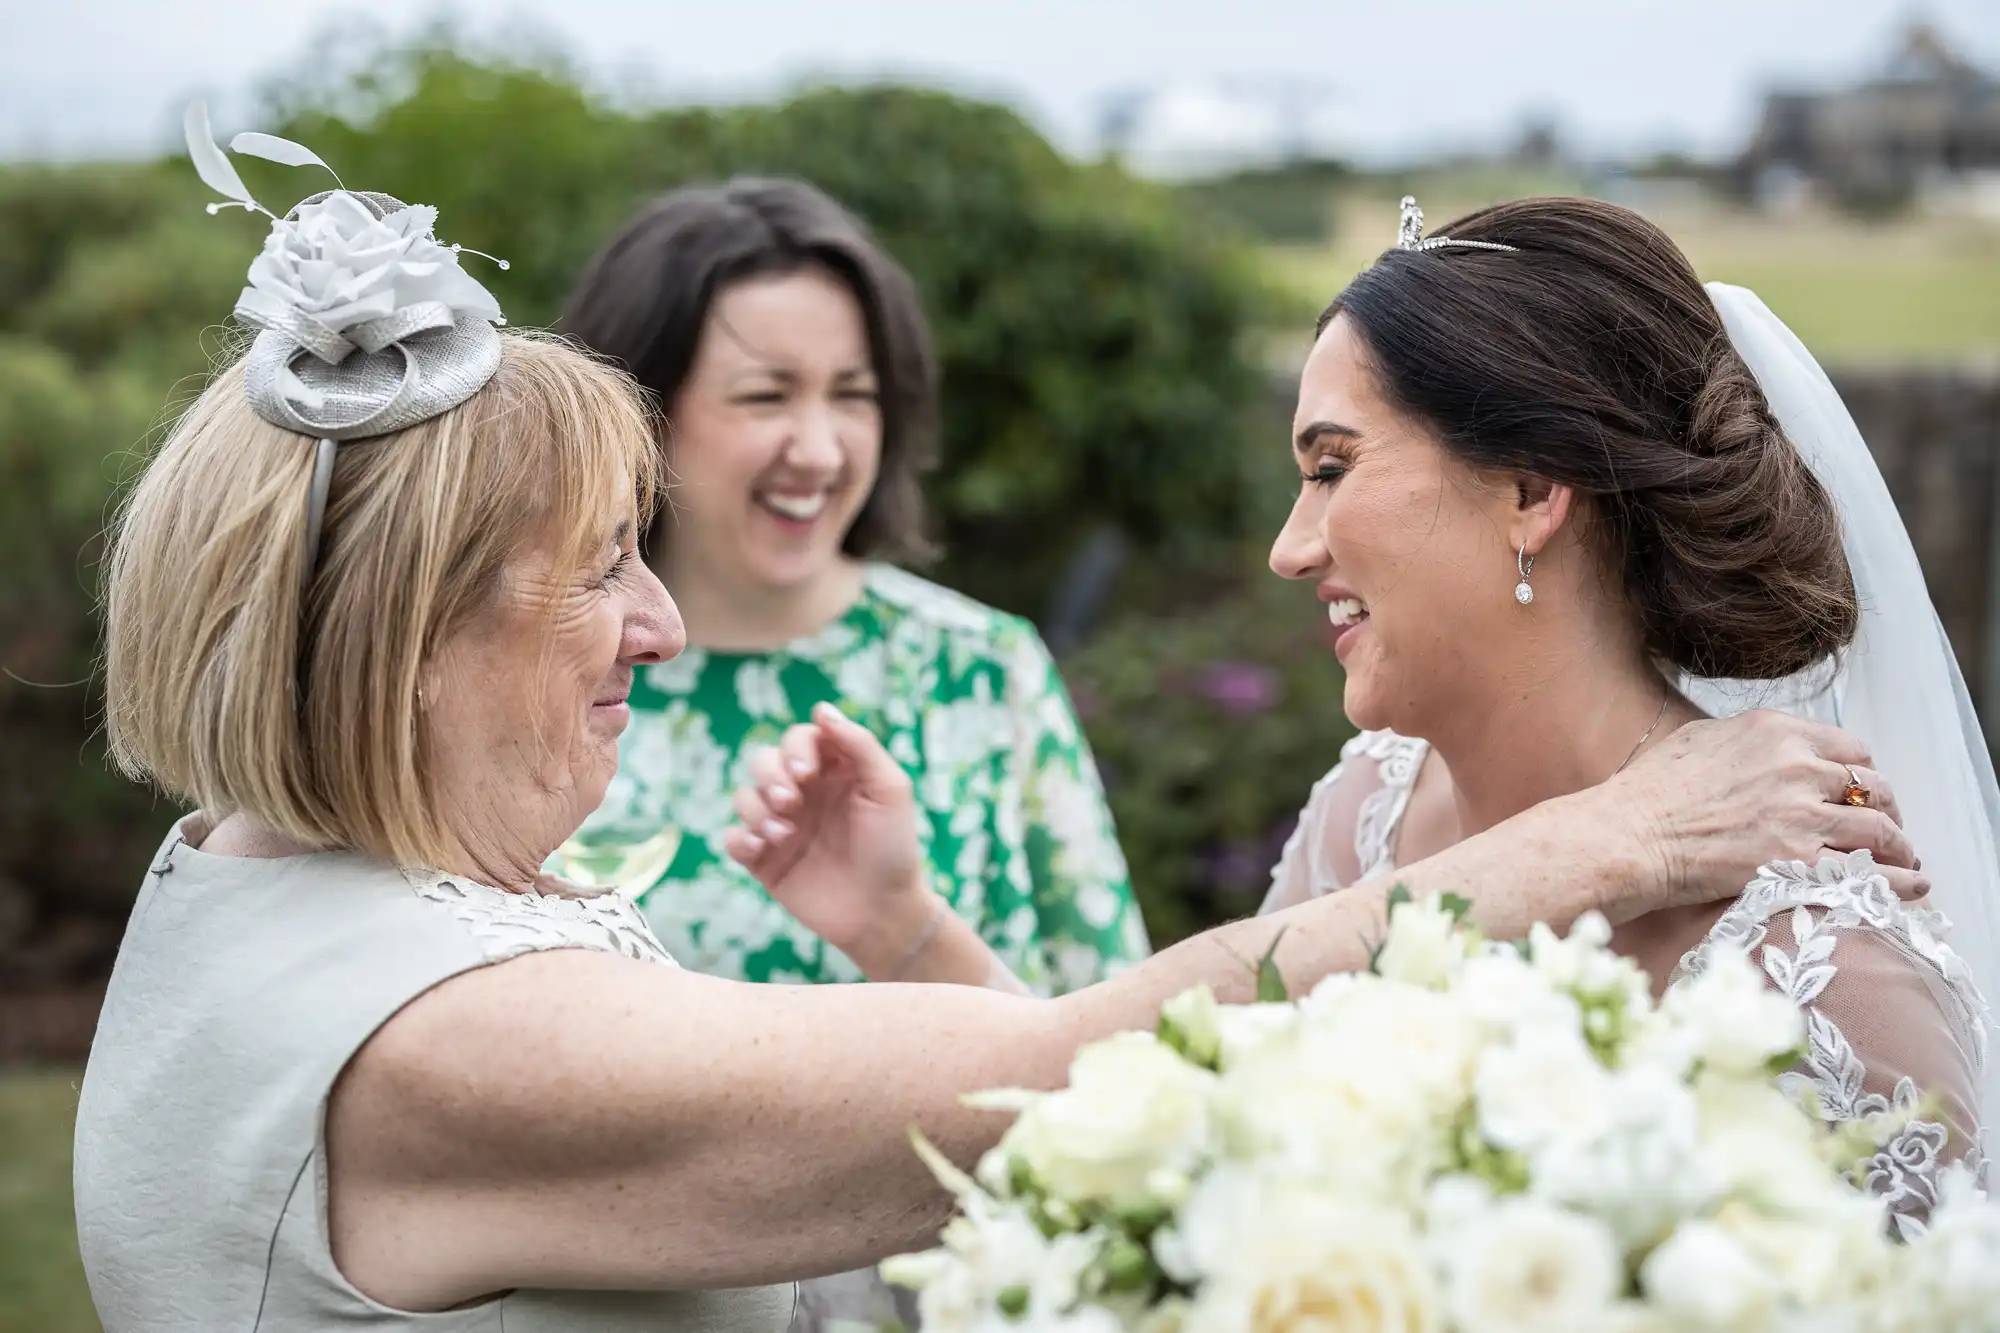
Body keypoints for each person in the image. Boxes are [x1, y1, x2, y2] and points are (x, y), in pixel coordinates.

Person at [73, 120, 1926, 1332]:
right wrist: (1615, 840)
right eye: (599, 568)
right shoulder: (443, 1038)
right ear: (402, 637)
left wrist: (898, 929)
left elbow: (1065, 1107)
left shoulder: (264, 879)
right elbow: (1058, 1079)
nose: (660, 622)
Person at [739, 196, 1992, 1237]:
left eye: (1331, 467)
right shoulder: (1368, 806)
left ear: (1529, 486)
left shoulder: (1825, 970)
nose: (1290, 548)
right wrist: (903, 928)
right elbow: (1167, 1121)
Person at [550, 179, 1145, 996]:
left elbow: (1116, 1019)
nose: (822, 451)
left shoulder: (981, 665)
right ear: (638, 411)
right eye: (767, 395)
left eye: (853, 395)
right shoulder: (540, 673)